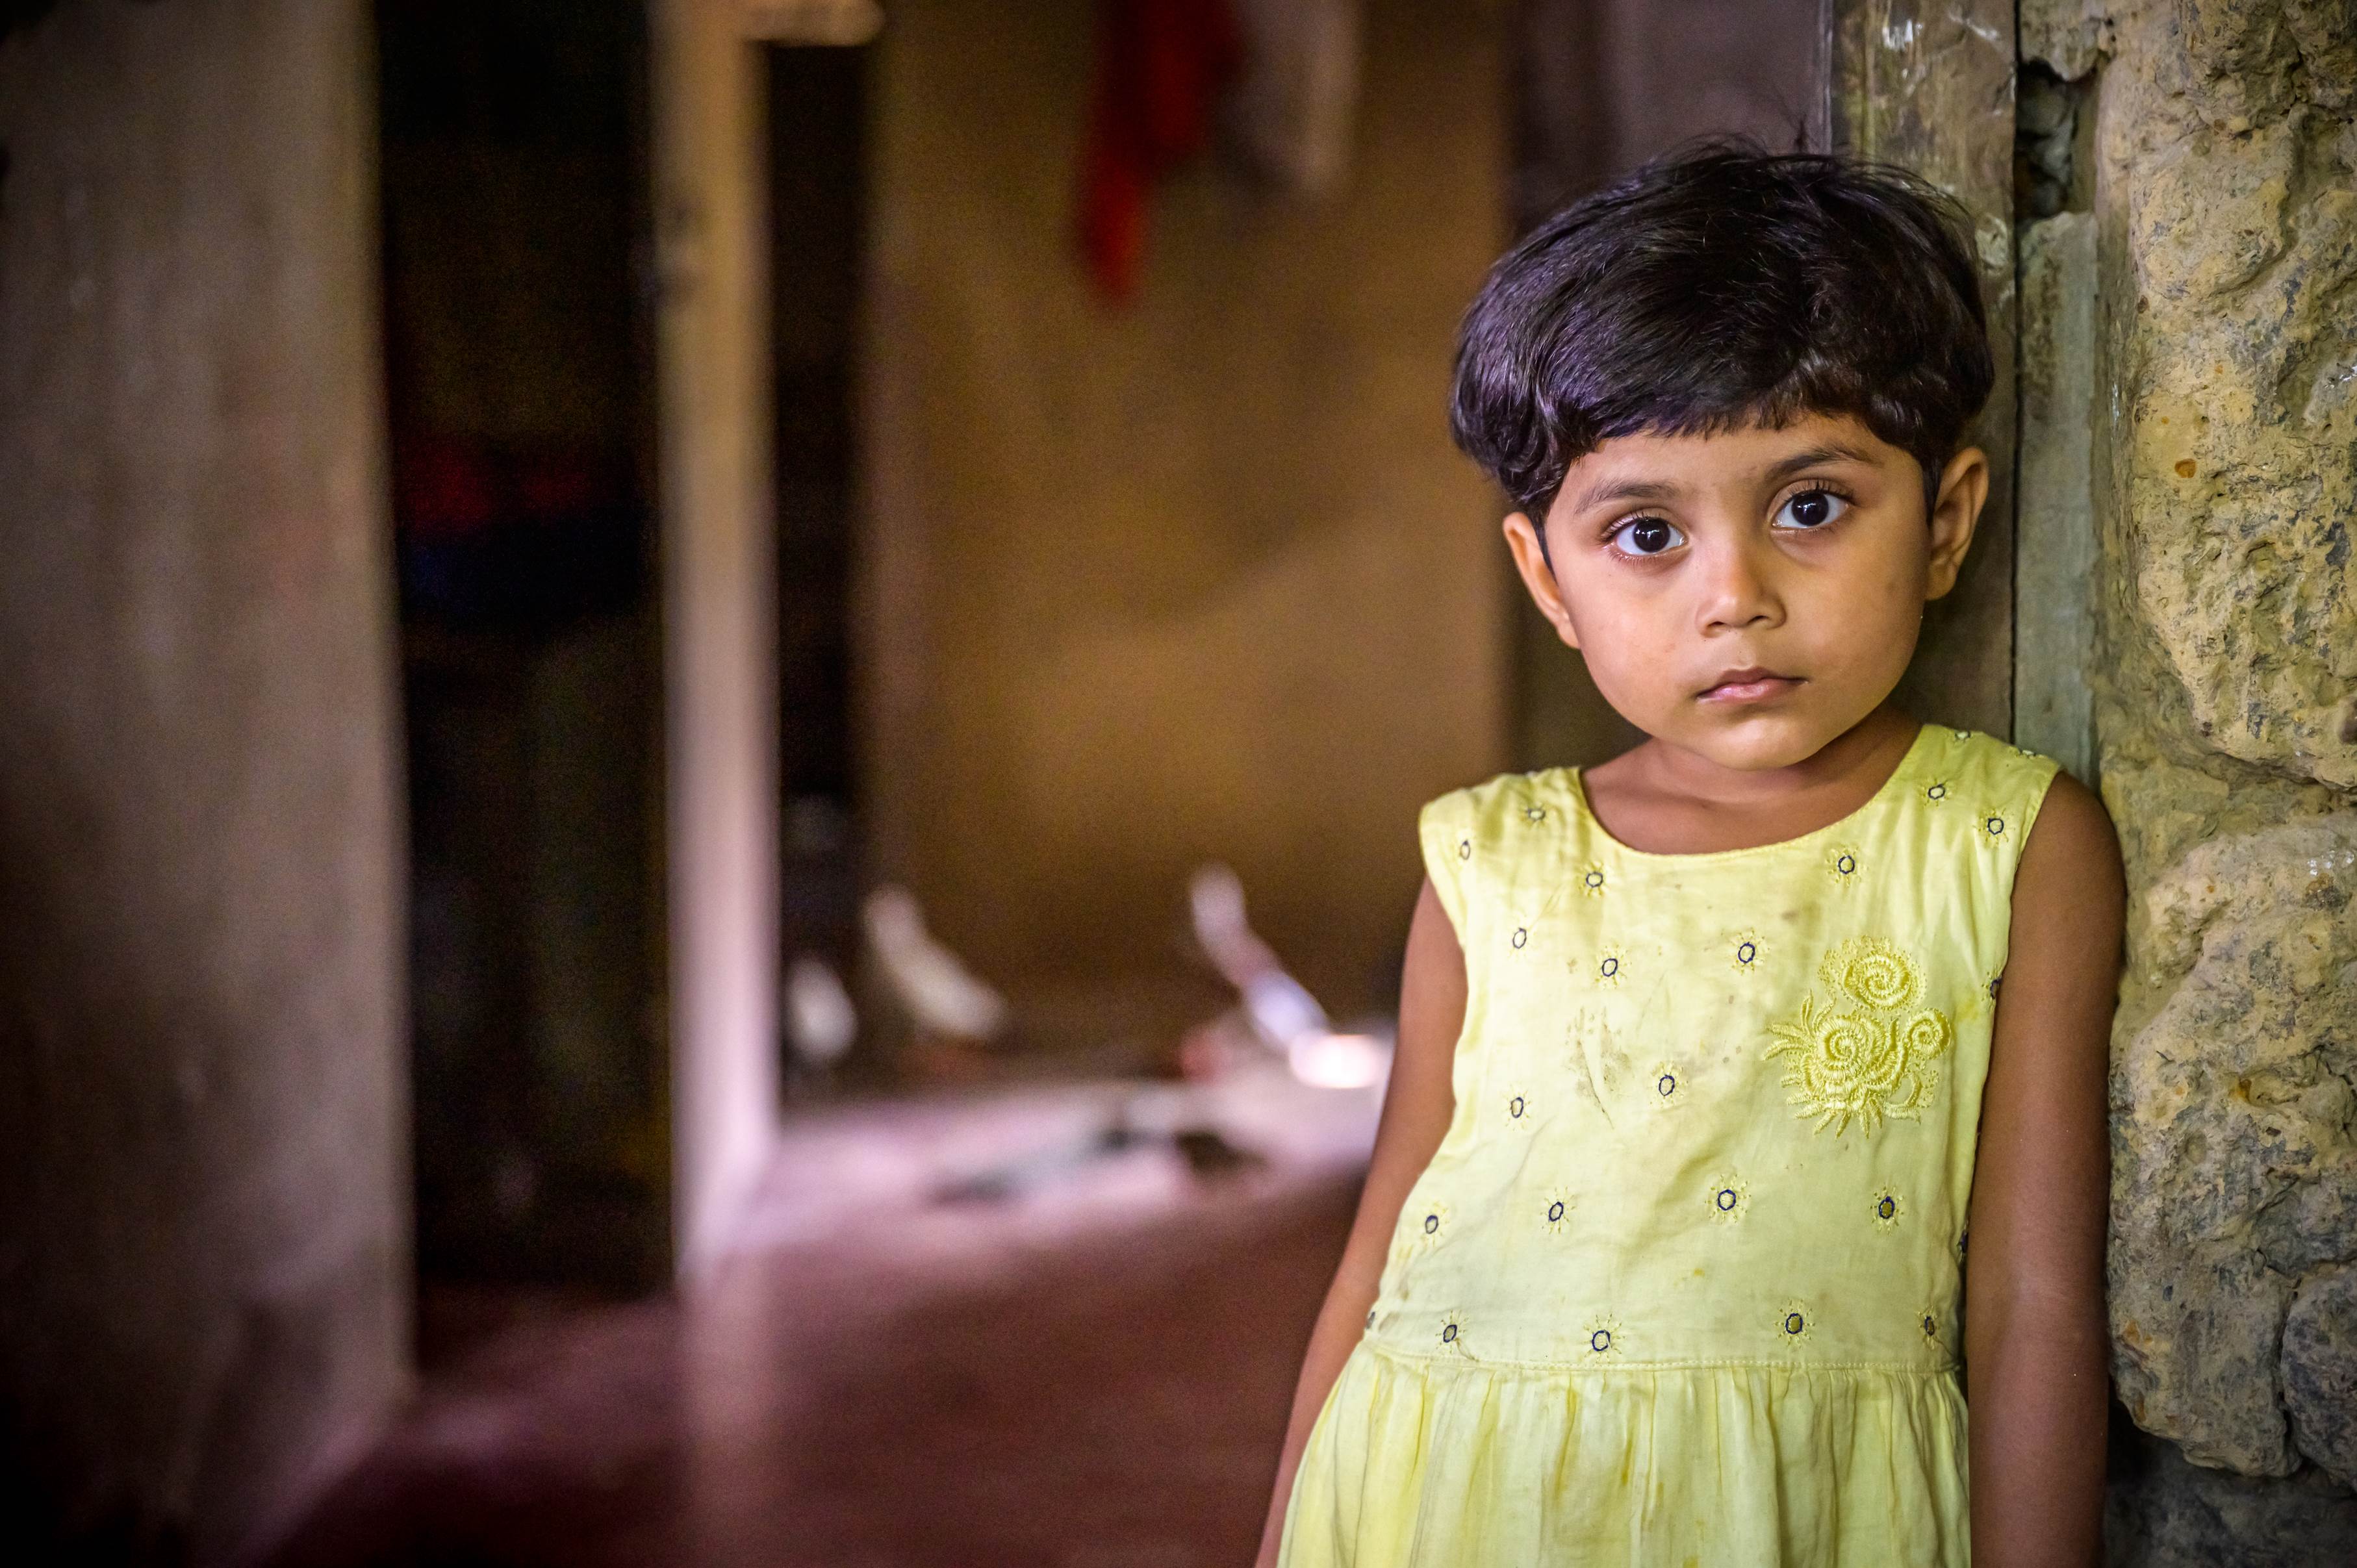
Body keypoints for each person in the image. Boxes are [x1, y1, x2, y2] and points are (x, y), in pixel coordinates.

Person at [1255, 145, 2122, 1567]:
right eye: (1645, 532)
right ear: (1547, 579)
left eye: (1808, 506)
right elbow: (1378, 1251)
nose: (1734, 598)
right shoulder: (1489, 865)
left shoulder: (2004, 845)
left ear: (1944, 523)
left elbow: (2031, 1303)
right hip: (1451, 1500)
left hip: (1798, 1516)